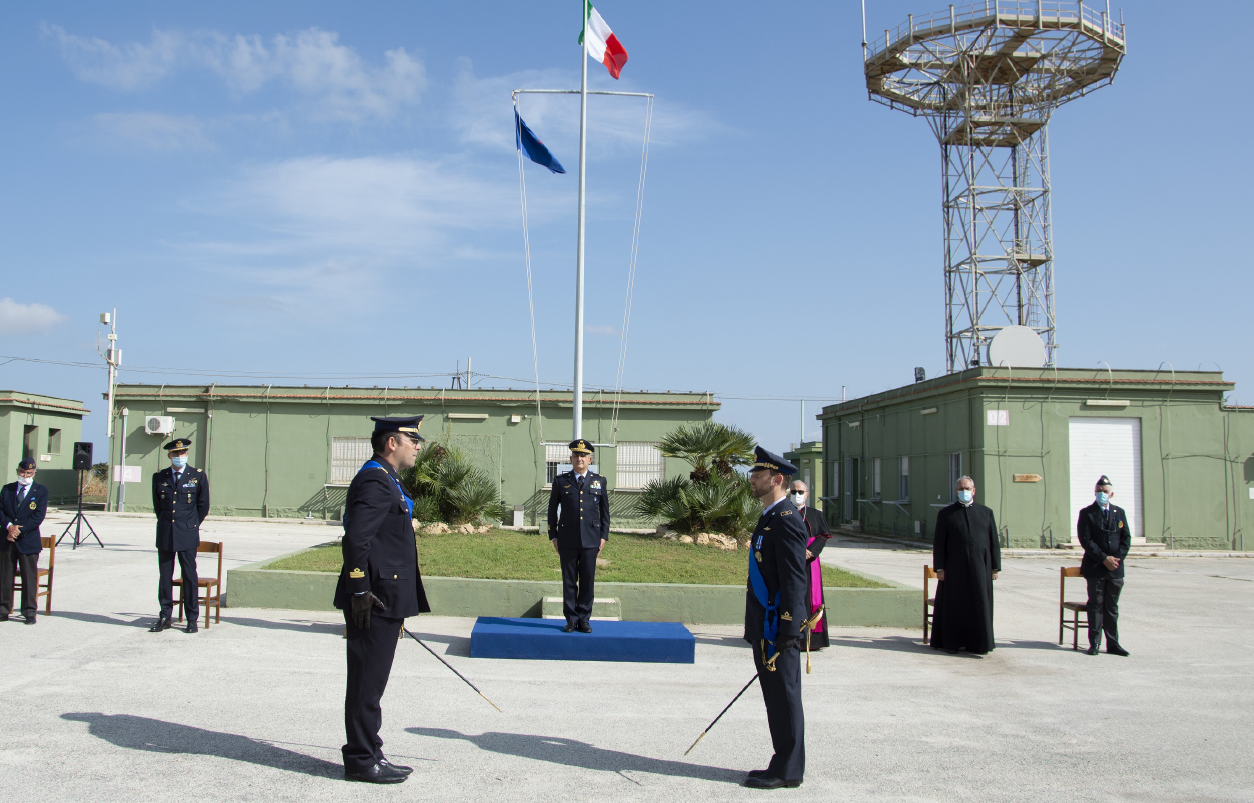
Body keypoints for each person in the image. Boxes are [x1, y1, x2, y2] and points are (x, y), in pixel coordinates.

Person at [333, 415, 430, 784]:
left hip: (384, 596)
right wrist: (359, 590)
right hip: (372, 599)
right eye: (412, 440)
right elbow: (357, 540)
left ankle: (371, 750)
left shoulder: (387, 478)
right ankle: (360, 759)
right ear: (392, 442)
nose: (417, 446)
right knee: (365, 683)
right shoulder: (375, 479)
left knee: (372, 682)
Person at [743, 446, 809, 789]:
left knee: (784, 695)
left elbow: (796, 580)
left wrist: (788, 628)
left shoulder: (786, 520)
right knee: (775, 697)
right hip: (765, 624)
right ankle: (782, 761)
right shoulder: (770, 515)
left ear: (777, 479)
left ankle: (787, 770)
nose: (752, 480)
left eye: (758, 475)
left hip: (777, 627)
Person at [930, 475, 1000, 655]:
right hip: (954, 570)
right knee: (955, 605)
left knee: (980, 604)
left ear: (974, 491)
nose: (964, 491)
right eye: (961, 489)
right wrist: (940, 568)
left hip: (980, 570)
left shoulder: (986, 513)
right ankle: (952, 643)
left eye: (967, 488)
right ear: (955, 492)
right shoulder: (946, 514)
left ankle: (978, 644)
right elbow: (939, 543)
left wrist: (995, 567)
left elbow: (993, 542)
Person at [547, 438, 610, 633]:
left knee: (587, 580)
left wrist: (604, 536)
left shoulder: (599, 481)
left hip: (591, 538)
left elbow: (605, 511)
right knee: (569, 580)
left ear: (590, 459)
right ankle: (571, 619)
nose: (579, 458)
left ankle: (584, 619)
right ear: (571, 458)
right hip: (567, 538)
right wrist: (553, 536)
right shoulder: (560, 481)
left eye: (583, 455)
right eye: (576, 455)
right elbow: (551, 510)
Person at [149, 438, 210, 633]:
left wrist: (191, 525)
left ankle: (192, 618)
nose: (179, 457)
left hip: (187, 532)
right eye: (176, 454)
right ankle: (165, 616)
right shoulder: (159, 477)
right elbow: (158, 507)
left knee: (189, 576)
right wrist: (169, 523)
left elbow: (203, 505)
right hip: (166, 532)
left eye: (183, 453)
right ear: (169, 456)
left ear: (187, 454)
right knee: (165, 576)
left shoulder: (197, 476)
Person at [1077, 475, 1131, 657]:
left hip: (1115, 569)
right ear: (1095, 492)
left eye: (1105, 491)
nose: (1102, 494)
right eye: (1099, 491)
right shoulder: (1087, 513)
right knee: (1096, 605)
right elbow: (1086, 540)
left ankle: (1113, 644)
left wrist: (1116, 559)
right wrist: (1103, 559)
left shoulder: (1119, 513)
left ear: (1111, 494)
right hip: (1095, 568)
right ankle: (1095, 643)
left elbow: (1126, 538)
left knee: (1112, 607)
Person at [0, 458, 48, 624]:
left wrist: (18, 530)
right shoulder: (7, 489)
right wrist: (9, 527)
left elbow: (38, 517)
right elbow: (1, 511)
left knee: (29, 577)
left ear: (34, 473)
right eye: (22, 472)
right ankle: (3, 609)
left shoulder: (40, 491)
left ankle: (29, 612)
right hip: (7, 539)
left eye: (28, 473)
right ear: (17, 471)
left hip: (28, 540)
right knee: (5, 576)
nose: (25, 475)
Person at [788, 480, 831, 650]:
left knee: (810, 597)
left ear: (806, 494)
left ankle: (812, 640)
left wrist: (811, 551)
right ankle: (791, 636)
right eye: (793, 491)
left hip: (809, 563)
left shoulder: (815, 514)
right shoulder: (784, 513)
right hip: (789, 562)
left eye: (800, 492)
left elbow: (823, 536)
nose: (796, 495)